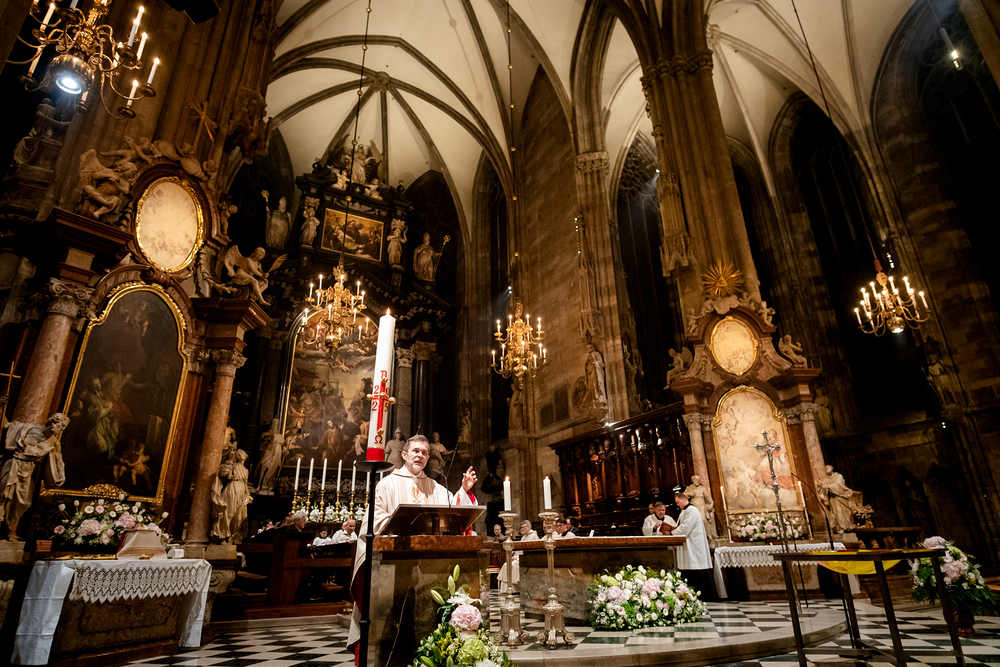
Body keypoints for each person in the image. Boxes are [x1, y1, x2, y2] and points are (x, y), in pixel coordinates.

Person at [346, 435, 478, 658]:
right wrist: (399, 524)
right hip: (393, 566)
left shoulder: (435, 487)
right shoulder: (387, 484)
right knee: (395, 617)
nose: (420, 455)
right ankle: (391, 655)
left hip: (428, 568)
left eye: (425, 452)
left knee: (424, 616)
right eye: (416, 451)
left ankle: (426, 654)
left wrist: (464, 490)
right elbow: (373, 520)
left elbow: (453, 513)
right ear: (404, 455)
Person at [672, 492, 715, 601]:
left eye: (678, 502)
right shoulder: (684, 511)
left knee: (694, 565)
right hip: (687, 544)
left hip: (694, 545)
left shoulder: (692, 510)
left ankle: (702, 596)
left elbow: (686, 527)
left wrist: (672, 532)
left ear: (683, 499)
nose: (677, 505)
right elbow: (681, 526)